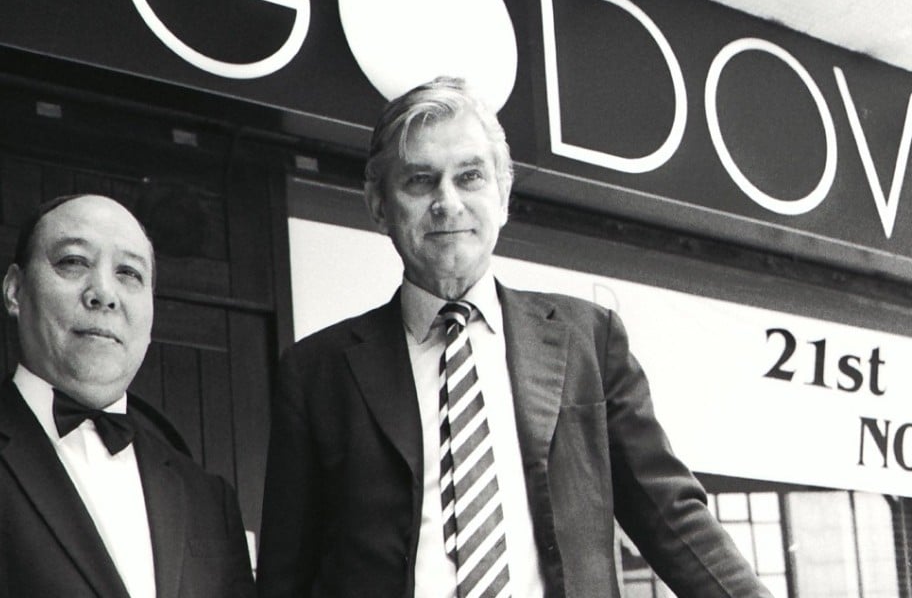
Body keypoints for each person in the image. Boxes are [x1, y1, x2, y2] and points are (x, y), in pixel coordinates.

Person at [257, 77, 772, 598]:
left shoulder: (589, 341)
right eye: (419, 180)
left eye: (470, 176)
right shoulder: (316, 372)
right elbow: (285, 576)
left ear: (502, 193)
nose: (448, 202)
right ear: (378, 204)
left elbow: (673, 519)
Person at [0, 194, 255, 598]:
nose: (104, 292)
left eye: (129, 273)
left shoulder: (209, 499)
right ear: (15, 291)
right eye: (73, 261)